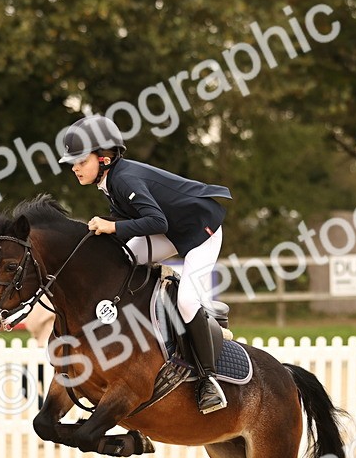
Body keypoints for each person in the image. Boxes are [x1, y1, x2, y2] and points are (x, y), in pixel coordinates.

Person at [59, 115, 232, 414]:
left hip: (201, 231)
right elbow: (134, 222)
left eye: (81, 161)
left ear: (104, 158)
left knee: (187, 302)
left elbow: (156, 221)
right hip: (172, 230)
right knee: (124, 260)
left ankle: (208, 380)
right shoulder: (110, 182)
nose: (74, 167)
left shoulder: (124, 179)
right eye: (72, 162)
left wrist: (112, 227)